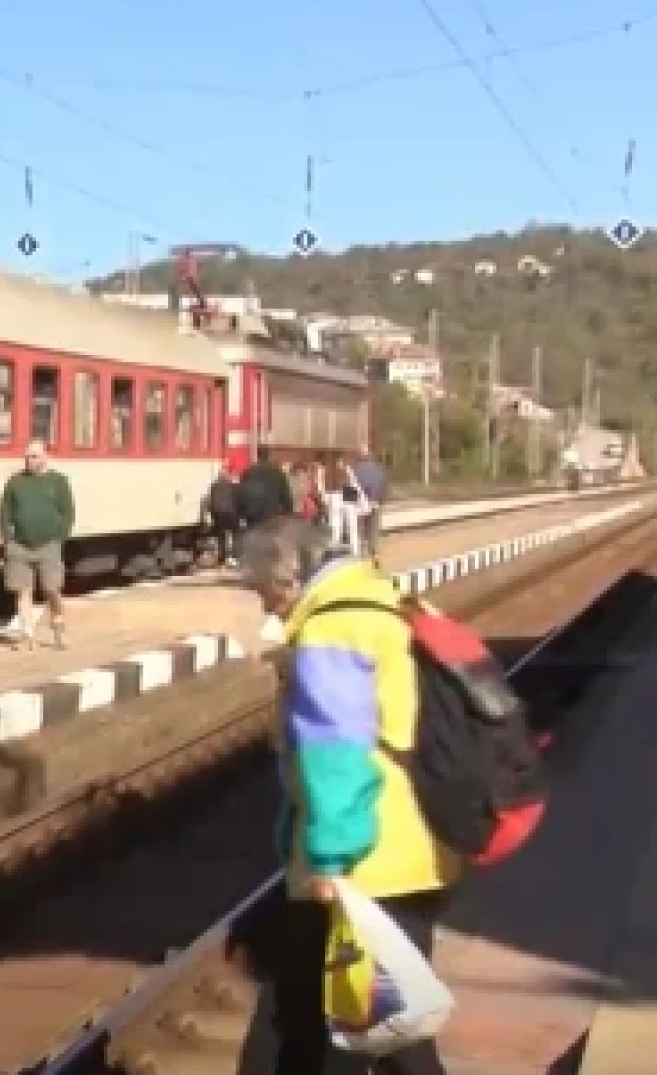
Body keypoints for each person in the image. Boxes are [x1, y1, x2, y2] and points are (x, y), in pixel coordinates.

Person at [232, 519, 456, 1075]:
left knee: (335, 1024)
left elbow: (336, 760)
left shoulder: (332, 630)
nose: (268, 609)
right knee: (396, 1022)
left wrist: (332, 862)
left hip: (363, 859)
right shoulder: (390, 599)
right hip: (418, 842)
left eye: (264, 593)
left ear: (286, 578)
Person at [0, 440, 74, 650]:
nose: (29, 461)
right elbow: (4, 513)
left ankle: (58, 626)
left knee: (52, 590)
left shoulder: (59, 482)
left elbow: (67, 512)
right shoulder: (15, 482)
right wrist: (8, 540)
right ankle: (28, 635)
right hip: (20, 546)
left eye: (34, 456)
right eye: (27, 457)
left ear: (45, 457)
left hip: (49, 544)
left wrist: (60, 537)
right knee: (23, 591)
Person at [236, 446, 296, 543]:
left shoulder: (248, 472)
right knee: (269, 540)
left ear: (257, 456)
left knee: (253, 540)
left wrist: (241, 512)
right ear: (269, 456)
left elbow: (241, 492)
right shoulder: (278, 473)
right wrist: (289, 511)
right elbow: (286, 495)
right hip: (270, 514)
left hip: (252, 513)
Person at [351, 447, 389, 562]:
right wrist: (380, 501)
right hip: (375, 503)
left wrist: (353, 503)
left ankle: (362, 554)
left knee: (361, 529)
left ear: (360, 456)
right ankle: (374, 553)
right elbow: (383, 486)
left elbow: (351, 488)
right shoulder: (379, 469)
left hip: (361, 504)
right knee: (373, 529)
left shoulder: (355, 470)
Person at [205, 463, 243, 567]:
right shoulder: (233, 486)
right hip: (231, 513)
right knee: (236, 534)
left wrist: (212, 515)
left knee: (221, 536)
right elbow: (237, 500)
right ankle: (234, 557)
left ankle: (221, 558)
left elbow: (210, 501)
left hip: (218, 513)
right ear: (228, 476)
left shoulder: (214, 486)